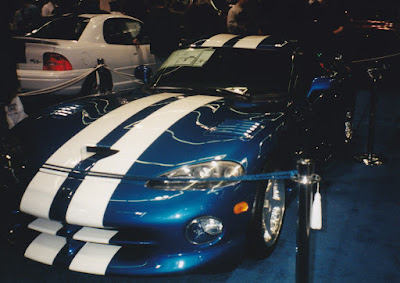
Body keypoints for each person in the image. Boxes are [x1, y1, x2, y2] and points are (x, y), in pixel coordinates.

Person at [146, 0, 181, 70]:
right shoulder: (173, 15)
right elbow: (177, 31)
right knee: (171, 67)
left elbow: (146, 29)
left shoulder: (152, 16)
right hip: (171, 45)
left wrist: (138, 38)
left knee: (161, 67)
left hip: (158, 46)